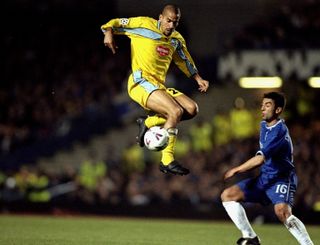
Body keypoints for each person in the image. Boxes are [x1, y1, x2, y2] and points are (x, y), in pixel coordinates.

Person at [101, 4, 209, 175]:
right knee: (174, 111)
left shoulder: (176, 39)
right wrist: (108, 32)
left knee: (191, 109)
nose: (171, 26)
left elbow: (184, 60)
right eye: (168, 21)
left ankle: (148, 122)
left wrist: (198, 78)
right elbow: (115, 23)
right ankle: (167, 161)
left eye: (175, 22)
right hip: (140, 82)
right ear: (160, 17)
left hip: (159, 86)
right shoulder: (143, 25)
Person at [221, 92, 314, 245]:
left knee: (282, 212)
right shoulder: (264, 125)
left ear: (278, 110)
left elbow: (260, 159)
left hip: (281, 179)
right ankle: (251, 238)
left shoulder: (280, 130)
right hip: (265, 178)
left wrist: (236, 169)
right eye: (262, 105)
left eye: (268, 105)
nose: (262, 108)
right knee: (228, 195)